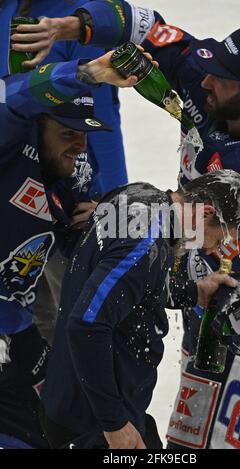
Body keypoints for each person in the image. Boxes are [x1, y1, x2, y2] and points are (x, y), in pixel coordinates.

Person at [14, 0, 240, 449]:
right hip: (201, 271)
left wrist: (133, 216)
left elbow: (219, 238)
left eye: (220, 78)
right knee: (193, 424)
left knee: (224, 437)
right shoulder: (209, 81)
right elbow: (147, 28)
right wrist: (69, 27)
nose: (204, 80)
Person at [40, 169, 240, 449]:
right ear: (205, 213)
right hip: (94, 425)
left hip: (78, 400)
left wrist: (195, 292)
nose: (211, 249)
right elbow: (86, 326)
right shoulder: (145, 245)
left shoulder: (137, 196)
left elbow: (133, 286)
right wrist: (114, 424)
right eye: (218, 240)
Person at [0, 49, 139, 448]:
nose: (79, 145)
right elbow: (11, 96)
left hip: (17, 329)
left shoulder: (73, 172)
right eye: (67, 133)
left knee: (49, 429)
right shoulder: (8, 144)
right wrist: (86, 72)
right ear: (37, 125)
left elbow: (87, 241)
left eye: (84, 133)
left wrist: (100, 221)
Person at [0, 0, 129, 345]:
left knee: (63, 320)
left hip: (58, 195)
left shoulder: (74, 13)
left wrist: (111, 198)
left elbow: (99, 118)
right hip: (12, 176)